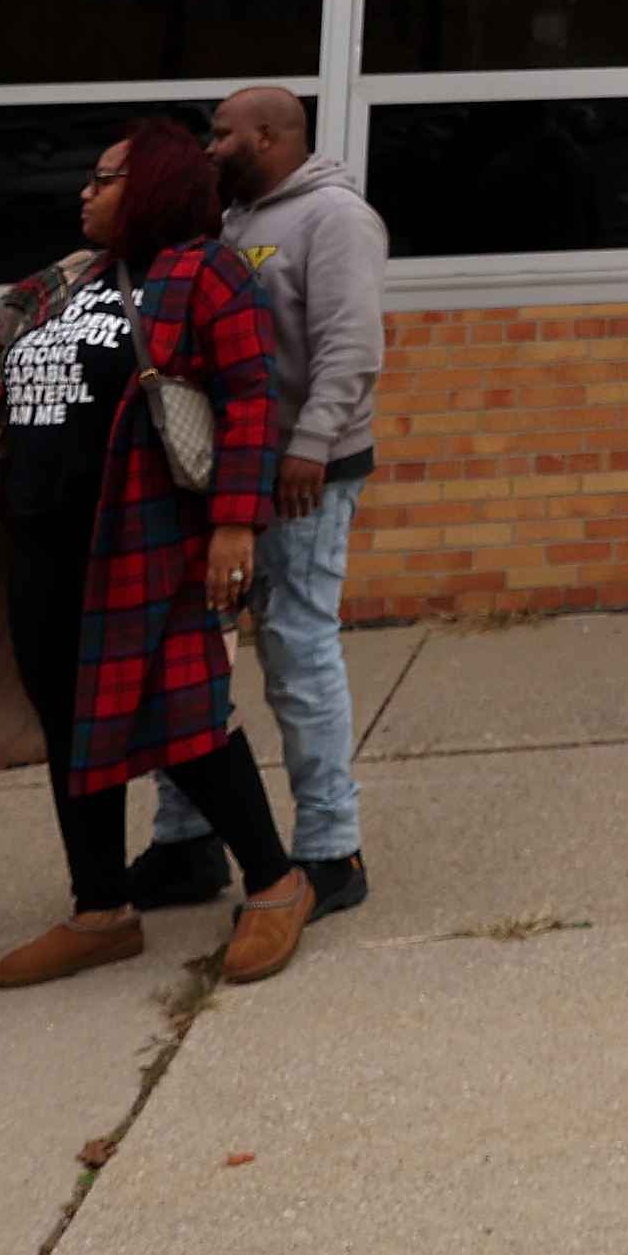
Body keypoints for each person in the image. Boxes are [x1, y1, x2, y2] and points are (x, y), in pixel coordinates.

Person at [0, 115, 319, 989]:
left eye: (105, 177)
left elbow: (250, 401)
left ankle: (275, 882)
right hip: (41, 533)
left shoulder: (208, 272)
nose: (85, 190)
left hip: (146, 533)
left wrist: (236, 523)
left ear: (154, 184)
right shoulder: (67, 278)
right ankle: (100, 909)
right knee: (70, 716)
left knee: (183, 713)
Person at [135, 81, 387, 917]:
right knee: (187, 658)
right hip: (221, 476)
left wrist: (312, 442)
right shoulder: (233, 221)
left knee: (296, 649)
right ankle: (186, 841)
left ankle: (329, 849)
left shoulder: (334, 219)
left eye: (222, 133)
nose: (209, 147)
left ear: (270, 135)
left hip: (302, 478)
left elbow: (352, 345)